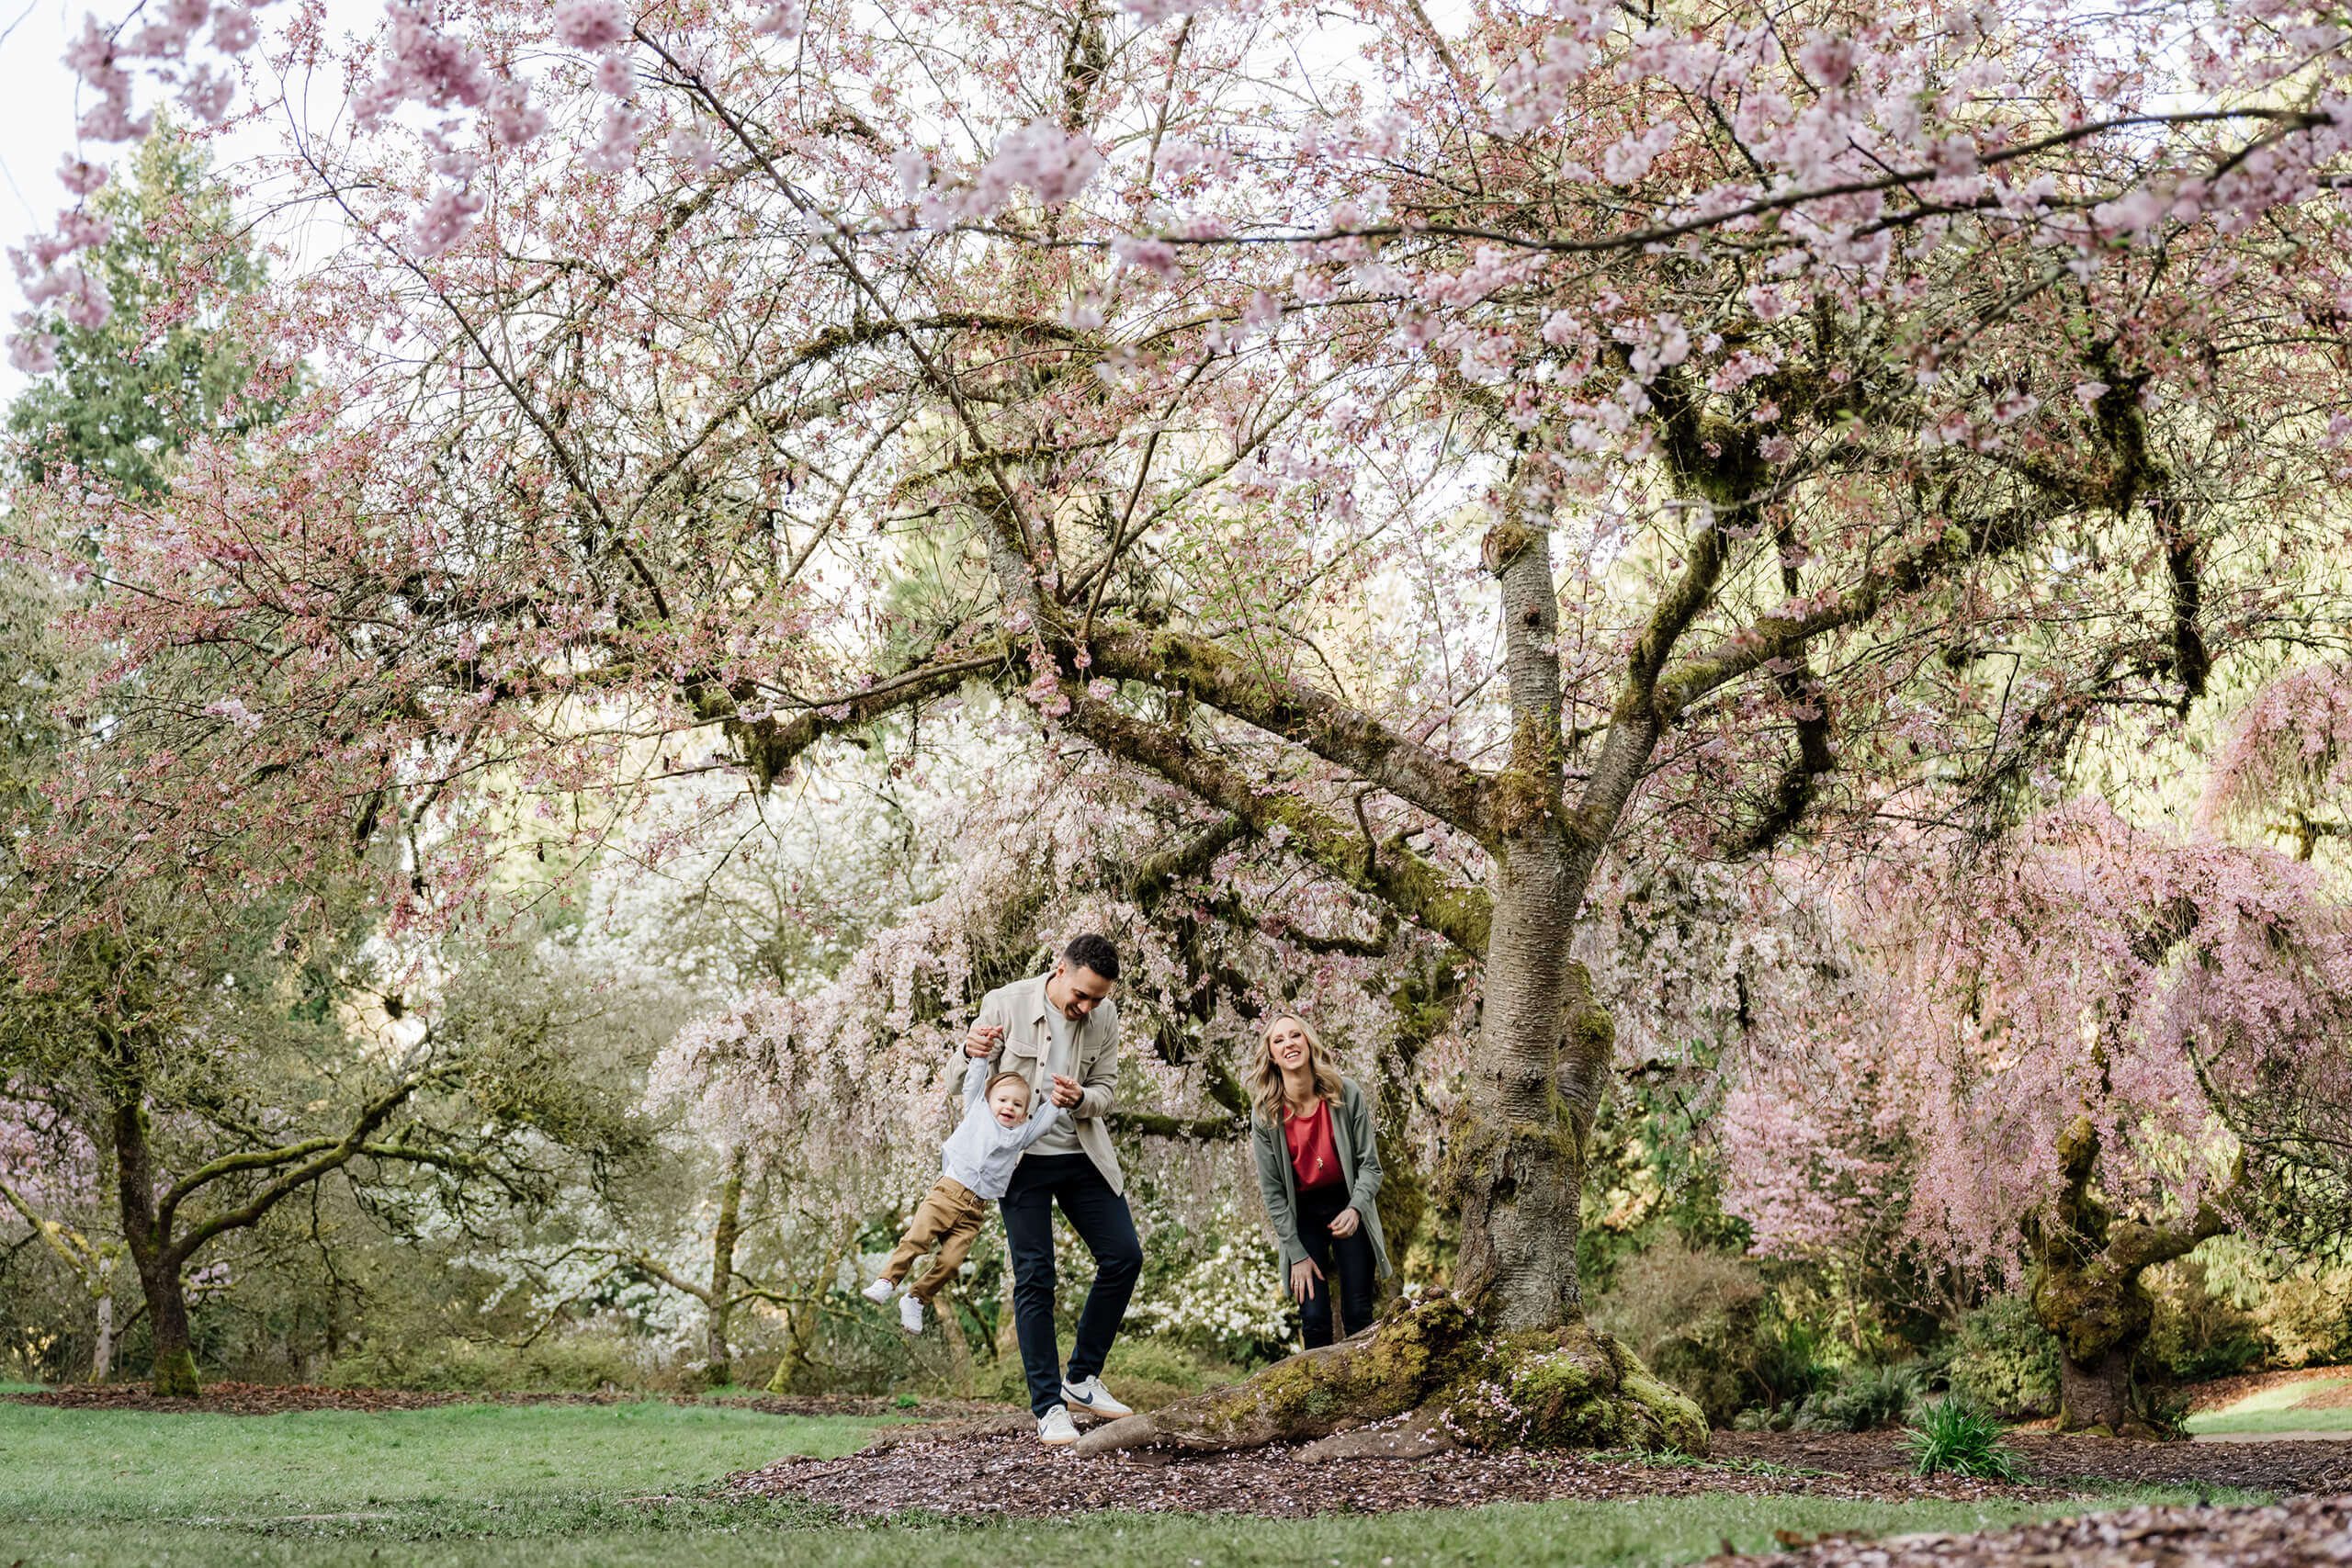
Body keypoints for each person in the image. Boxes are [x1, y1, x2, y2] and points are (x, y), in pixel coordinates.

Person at [963, 932, 1141, 1446]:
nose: (1086, 1007)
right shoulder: (1004, 1003)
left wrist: (1083, 1096)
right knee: (1036, 1276)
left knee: (1124, 1257)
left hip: (1081, 1154)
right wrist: (967, 1049)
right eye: (1081, 995)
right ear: (1059, 970)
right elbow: (965, 1082)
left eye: (1097, 999)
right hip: (1020, 1160)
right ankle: (1047, 1406)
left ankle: (1081, 1378)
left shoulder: (1104, 1018)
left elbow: (1106, 1090)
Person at [860, 1068, 1069, 1333]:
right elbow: (973, 1083)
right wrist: (981, 1055)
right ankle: (887, 1281)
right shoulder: (977, 1112)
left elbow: (1042, 1123)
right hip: (946, 1194)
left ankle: (916, 1298)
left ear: (1024, 1114)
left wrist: (1055, 1102)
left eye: (1017, 1104)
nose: (1009, 1107)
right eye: (1003, 1100)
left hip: (974, 1211)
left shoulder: (1020, 1136)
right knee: (916, 1239)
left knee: (951, 1263)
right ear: (988, 1100)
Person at [1248, 1013, 1390, 1349]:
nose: (1289, 1044)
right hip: (1303, 1214)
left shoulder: (1346, 1093)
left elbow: (1371, 1167)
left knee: (1358, 1312)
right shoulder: (1265, 1115)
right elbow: (1273, 1193)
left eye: (1295, 1035)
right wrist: (1296, 1254)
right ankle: (1321, 1397)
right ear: (1271, 1055)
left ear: (1308, 1043)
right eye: (1278, 1040)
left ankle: (1365, 1391)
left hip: (1347, 1203)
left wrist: (1356, 1209)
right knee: (1313, 1318)